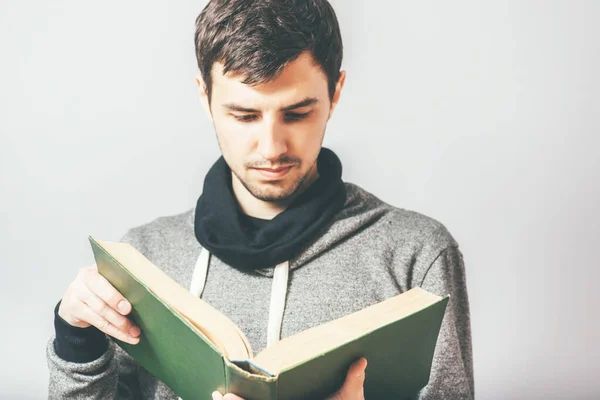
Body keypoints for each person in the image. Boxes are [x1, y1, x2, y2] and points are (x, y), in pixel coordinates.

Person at [46, 0, 474, 399]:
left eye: (297, 113)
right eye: (245, 116)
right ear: (205, 97)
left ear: (335, 93)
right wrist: (76, 339)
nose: (271, 147)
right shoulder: (145, 258)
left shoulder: (416, 254)